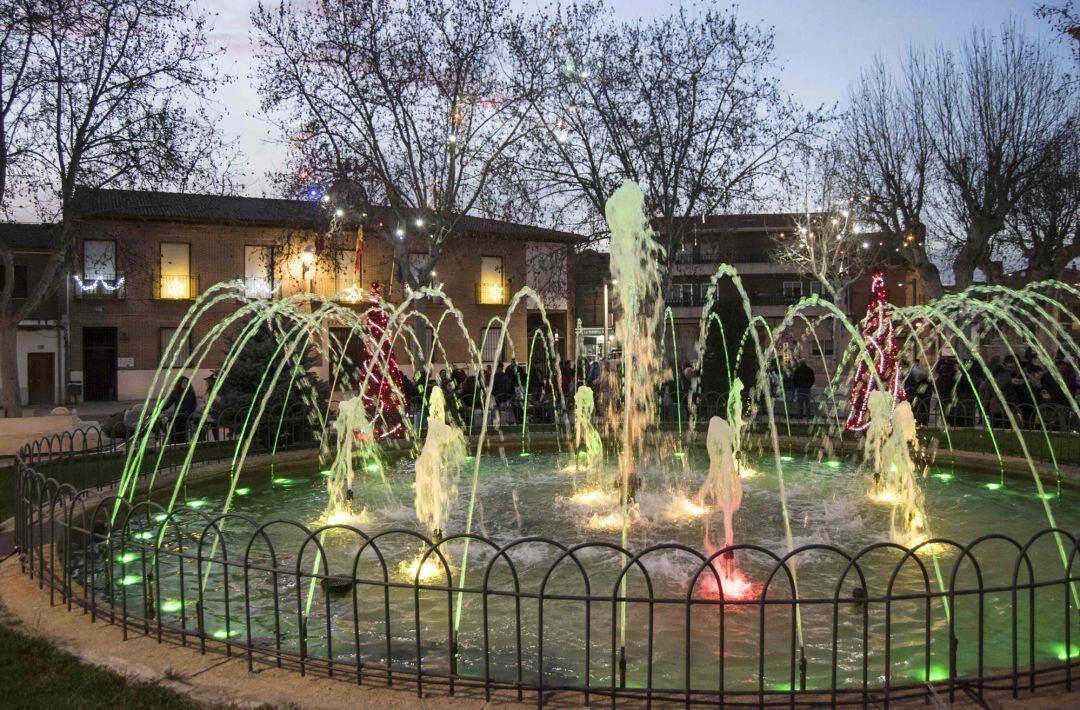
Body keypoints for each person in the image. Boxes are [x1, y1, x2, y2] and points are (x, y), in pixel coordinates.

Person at [161, 375, 197, 443]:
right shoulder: (175, 393)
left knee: (184, 433)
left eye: (186, 382)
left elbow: (194, 404)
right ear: (179, 383)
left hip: (187, 416)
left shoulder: (191, 393)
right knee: (174, 432)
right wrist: (160, 409)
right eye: (183, 382)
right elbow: (169, 403)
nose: (185, 384)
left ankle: (183, 445)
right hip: (177, 416)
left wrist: (191, 412)